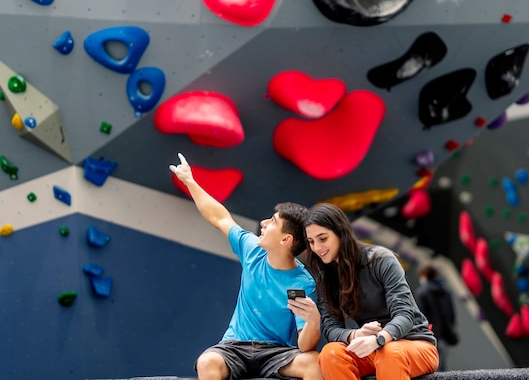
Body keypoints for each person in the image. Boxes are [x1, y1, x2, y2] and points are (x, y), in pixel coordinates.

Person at [169, 153, 323, 380]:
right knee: (207, 361)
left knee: (313, 362)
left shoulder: (303, 282)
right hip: (234, 347)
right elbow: (220, 217)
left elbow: (305, 344)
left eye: (272, 222)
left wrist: (313, 322)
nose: (263, 223)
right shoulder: (252, 249)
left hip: (276, 352)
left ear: (285, 240)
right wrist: (189, 181)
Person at [304, 203, 439, 380]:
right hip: (372, 349)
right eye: (311, 242)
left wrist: (379, 339)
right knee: (331, 353)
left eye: (323, 239)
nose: (317, 248)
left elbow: (405, 314)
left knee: (390, 353)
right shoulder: (326, 277)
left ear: (340, 233)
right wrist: (355, 334)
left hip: (414, 344)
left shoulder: (381, 259)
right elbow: (330, 328)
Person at [413, 263, 458, 372]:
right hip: (446, 333)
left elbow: (421, 316)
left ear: (423, 275)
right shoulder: (445, 291)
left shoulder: (422, 293)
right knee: (442, 366)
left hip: (430, 334)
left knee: (431, 367)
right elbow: (451, 313)